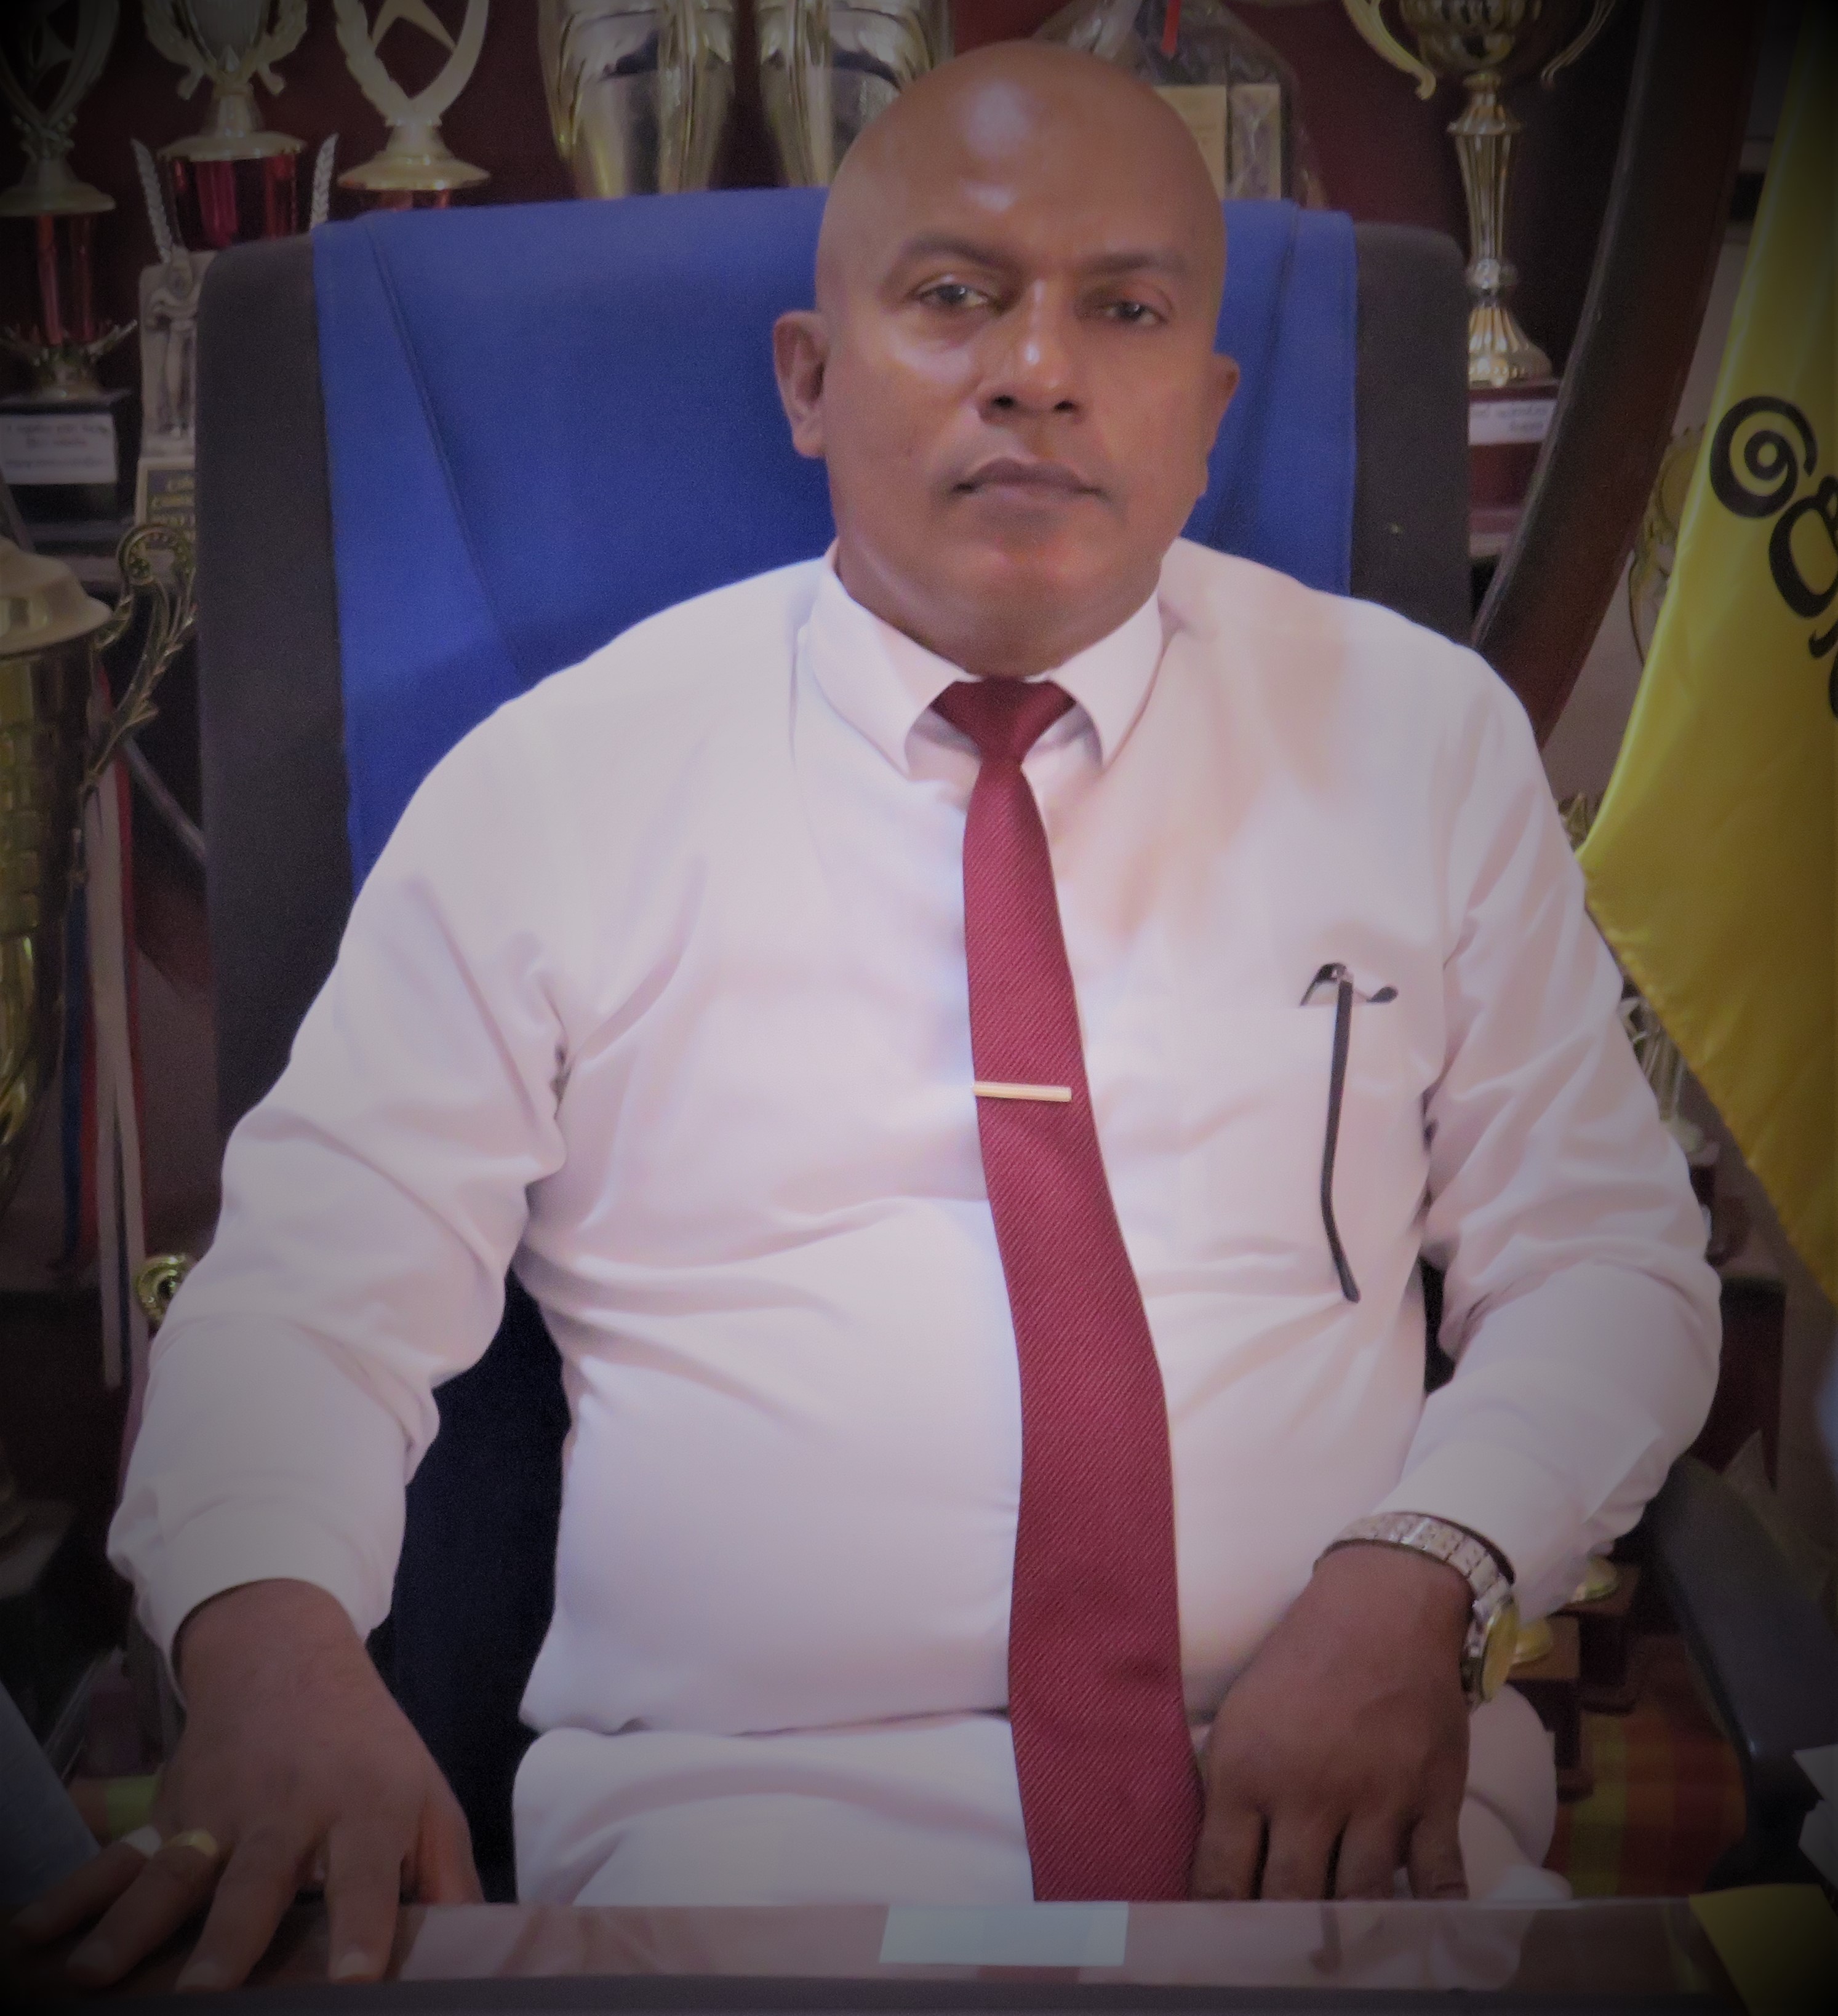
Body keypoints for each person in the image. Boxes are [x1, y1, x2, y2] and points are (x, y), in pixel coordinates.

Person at [14, 41, 1716, 1994]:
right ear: (808, 382)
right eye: (955, 296)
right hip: (731, 1869)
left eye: (1125, 312)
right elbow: (304, 1299)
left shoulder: (1417, 743)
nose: (1038, 369)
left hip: (1337, 1836)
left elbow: (1602, 1263)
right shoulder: (557, 786)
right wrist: (267, 1649)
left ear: (1206, 408)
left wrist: (1429, 1569)